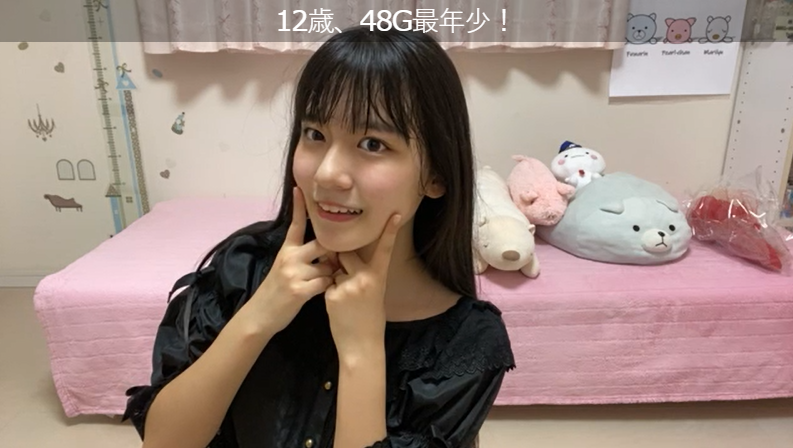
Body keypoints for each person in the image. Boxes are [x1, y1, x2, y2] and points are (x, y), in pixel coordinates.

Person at [122, 25, 515, 448]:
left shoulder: (465, 344)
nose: (326, 174)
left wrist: (362, 351)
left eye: (372, 143)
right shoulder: (245, 268)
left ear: (436, 175)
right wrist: (258, 317)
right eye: (315, 135)